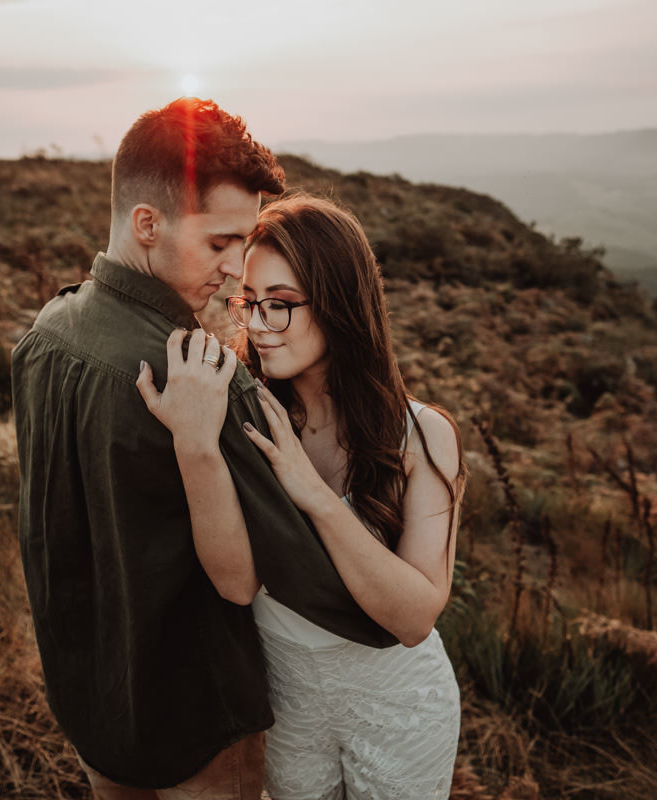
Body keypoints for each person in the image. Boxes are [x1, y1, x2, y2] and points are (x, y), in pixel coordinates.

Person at [11, 100, 394, 799]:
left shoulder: (47, 333)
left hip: (89, 696)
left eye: (243, 243)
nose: (234, 269)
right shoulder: (202, 379)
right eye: (219, 242)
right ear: (147, 224)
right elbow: (310, 582)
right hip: (194, 714)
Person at [138, 194, 467, 799]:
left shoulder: (422, 436)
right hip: (290, 702)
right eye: (249, 302)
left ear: (340, 303)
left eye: (281, 304)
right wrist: (195, 442)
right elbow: (237, 584)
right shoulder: (241, 413)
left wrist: (311, 492)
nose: (258, 326)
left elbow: (415, 617)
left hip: (399, 708)